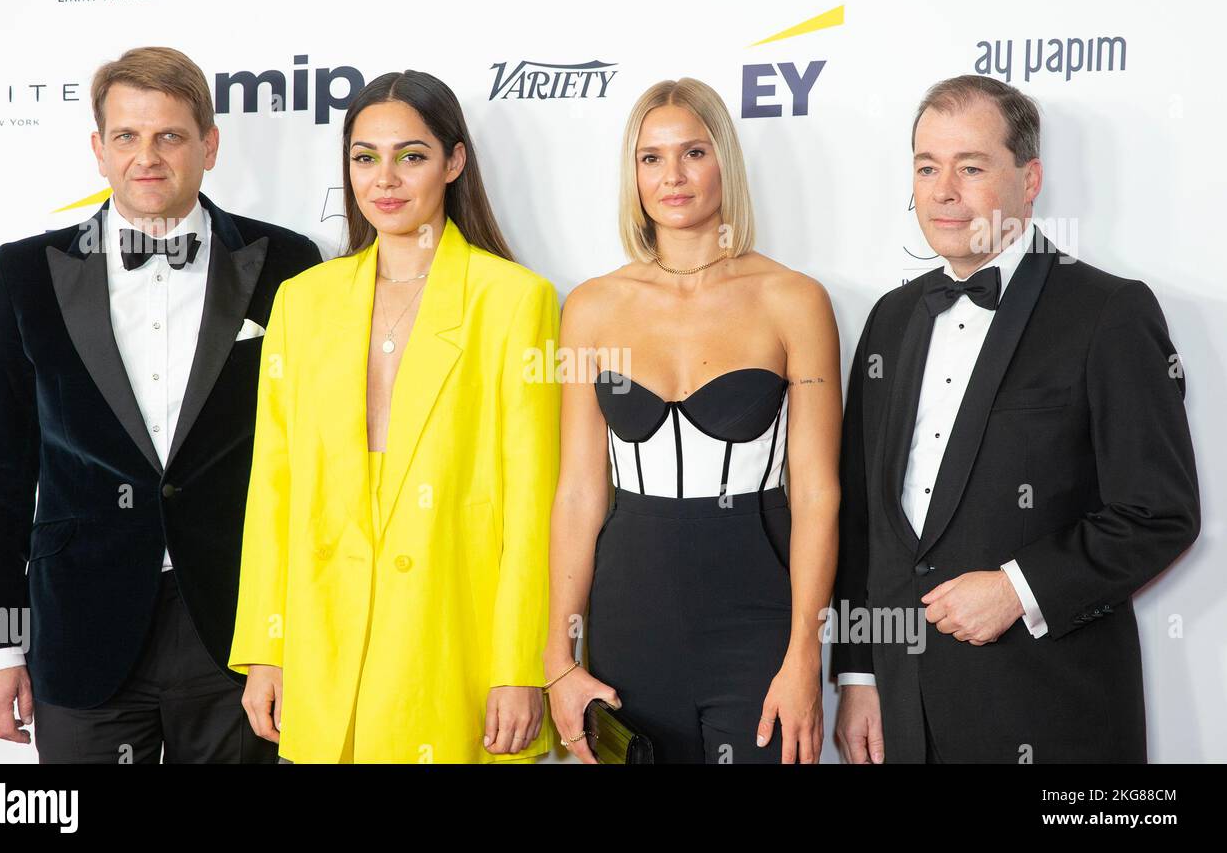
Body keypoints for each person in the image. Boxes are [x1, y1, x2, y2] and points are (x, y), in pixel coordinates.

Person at [0, 46, 322, 763]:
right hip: (79, 626)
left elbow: (314, 454)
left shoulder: (288, 263)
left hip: (240, 630)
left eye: (170, 136)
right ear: (98, 149)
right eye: (126, 136)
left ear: (209, 146)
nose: (146, 156)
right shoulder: (26, 272)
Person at [831, 74, 1200, 763]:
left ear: (1030, 180)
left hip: (1053, 710)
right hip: (904, 720)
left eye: (971, 167)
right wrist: (858, 674)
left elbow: (1160, 512)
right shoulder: (888, 320)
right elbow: (866, 521)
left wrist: (1016, 588)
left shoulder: (1108, 313)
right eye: (926, 167)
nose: (943, 191)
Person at [229, 70, 560, 764]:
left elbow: (533, 507)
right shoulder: (303, 301)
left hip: (450, 638)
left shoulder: (514, 301)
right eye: (364, 156)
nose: (385, 178)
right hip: (323, 643)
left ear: (454, 162)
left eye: (411, 155)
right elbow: (274, 487)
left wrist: (520, 664)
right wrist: (267, 647)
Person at [544, 78, 842, 764]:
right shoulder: (591, 307)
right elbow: (579, 494)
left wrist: (805, 654)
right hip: (630, 619)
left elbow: (818, 494)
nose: (671, 176)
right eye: (650, 158)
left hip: (759, 617)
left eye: (692, 153)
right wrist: (559, 656)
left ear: (723, 163)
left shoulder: (793, 300)